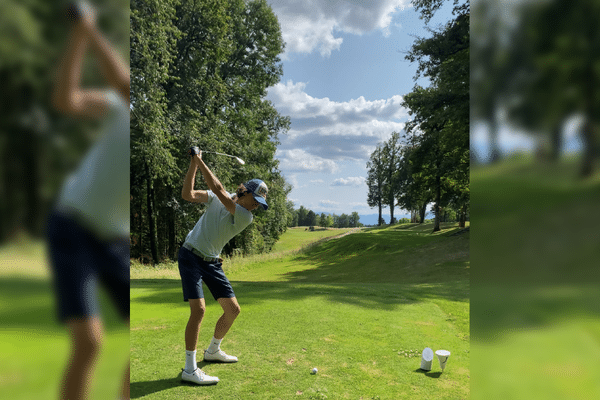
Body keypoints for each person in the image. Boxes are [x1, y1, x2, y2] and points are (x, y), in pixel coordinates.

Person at [47, 2, 130, 399]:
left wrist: (91, 29)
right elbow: (65, 100)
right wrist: (81, 36)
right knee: (89, 343)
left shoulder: (128, 97)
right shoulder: (117, 106)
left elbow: (124, 80)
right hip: (74, 225)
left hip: (114, 241)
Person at [179, 149, 268, 385]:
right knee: (198, 310)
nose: (257, 207)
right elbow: (187, 194)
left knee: (233, 309)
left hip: (211, 261)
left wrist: (199, 159)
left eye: (261, 204)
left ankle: (213, 351)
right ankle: (190, 369)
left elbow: (218, 191)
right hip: (190, 255)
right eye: (256, 201)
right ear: (245, 192)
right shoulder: (221, 198)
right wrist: (193, 164)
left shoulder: (245, 216)